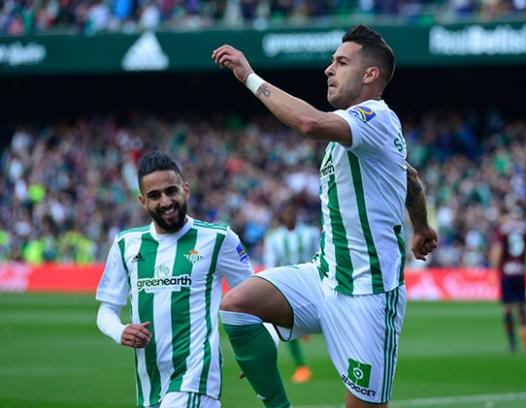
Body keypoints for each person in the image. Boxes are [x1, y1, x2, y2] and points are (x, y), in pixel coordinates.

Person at [211, 25, 438, 408]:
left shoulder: (376, 117)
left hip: (369, 294)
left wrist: (248, 77)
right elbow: (410, 178)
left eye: (341, 61)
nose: (328, 69)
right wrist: (422, 227)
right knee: (237, 304)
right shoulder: (358, 131)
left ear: (371, 75)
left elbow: (309, 123)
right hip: (324, 276)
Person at [95, 151, 259, 407]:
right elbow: (106, 311)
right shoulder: (126, 244)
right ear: (142, 201)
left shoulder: (218, 239)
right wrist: (121, 331)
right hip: (150, 385)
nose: (165, 201)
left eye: (171, 191)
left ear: (185, 190)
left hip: (196, 379)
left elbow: (257, 297)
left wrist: (259, 349)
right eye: (154, 195)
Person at [263, 201, 320, 384]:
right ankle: (301, 367)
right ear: (281, 217)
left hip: (311, 283)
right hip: (288, 287)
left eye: (291, 213)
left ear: (296, 214)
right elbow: (271, 263)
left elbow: (318, 254)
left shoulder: (310, 234)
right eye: (285, 214)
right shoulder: (274, 238)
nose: (289, 217)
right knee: (285, 325)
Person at [489, 206, 526, 352]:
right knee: (521, 304)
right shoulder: (525, 229)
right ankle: (524, 326)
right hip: (520, 271)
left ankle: (512, 342)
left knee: (507, 308)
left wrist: (494, 270)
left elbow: (498, 250)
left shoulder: (502, 229)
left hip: (507, 272)